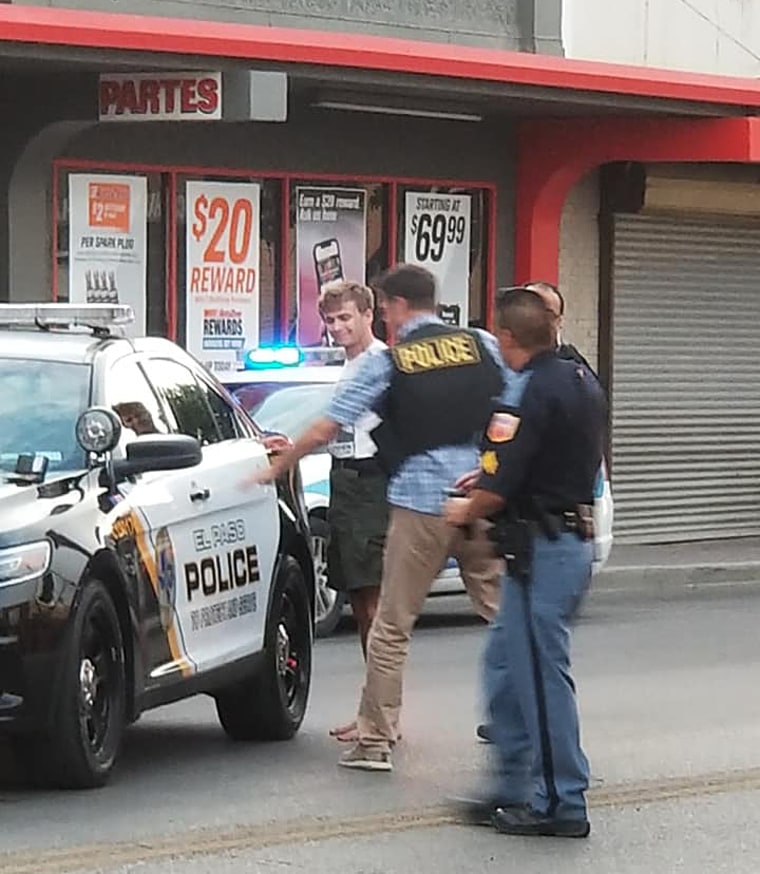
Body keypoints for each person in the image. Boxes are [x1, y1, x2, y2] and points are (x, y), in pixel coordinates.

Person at [247, 263, 506, 772]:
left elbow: (326, 427)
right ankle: (529, 721)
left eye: (384, 306)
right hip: (479, 499)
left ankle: (375, 741)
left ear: (398, 306)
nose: (383, 315)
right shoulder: (480, 343)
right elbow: (510, 407)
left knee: (390, 625)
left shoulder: (390, 362)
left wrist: (282, 462)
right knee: (508, 617)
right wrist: (496, 472)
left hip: (418, 500)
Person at [445, 287, 606, 838]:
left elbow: (502, 480)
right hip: (552, 541)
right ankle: (514, 786)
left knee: (538, 677)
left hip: (545, 547)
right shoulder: (578, 377)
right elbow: (532, 460)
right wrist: (488, 480)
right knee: (507, 669)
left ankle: (560, 802)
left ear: (507, 338)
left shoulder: (531, 389)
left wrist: (468, 505)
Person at [316, 280, 389, 744]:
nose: (339, 327)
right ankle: (374, 710)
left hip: (370, 483)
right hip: (345, 481)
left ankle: (382, 716)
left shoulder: (378, 363)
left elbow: (338, 425)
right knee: (362, 605)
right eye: (331, 320)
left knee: (376, 608)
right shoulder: (349, 367)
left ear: (369, 314)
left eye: (346, 317)